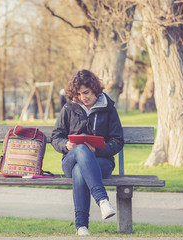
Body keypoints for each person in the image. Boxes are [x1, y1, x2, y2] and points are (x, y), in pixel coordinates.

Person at [51, 69, 124, 236]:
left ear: (94, 89)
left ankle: (81, 226)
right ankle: (103, 200)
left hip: (102, 162)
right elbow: (56, 136)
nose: (83, 97)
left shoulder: (108, 107)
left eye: (86, 92)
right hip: (70, 160)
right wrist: (65, 145)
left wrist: (98, 149)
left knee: (80, 170)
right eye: (79, 94)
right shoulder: (69, 107)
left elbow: (117, 141)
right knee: (81, 149)